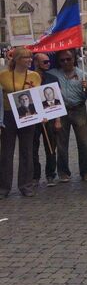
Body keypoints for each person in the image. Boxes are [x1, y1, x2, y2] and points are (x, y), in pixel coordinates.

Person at [47, 49, 87, 183]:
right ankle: (63, 172)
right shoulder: (53, 74)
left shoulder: (82, 75)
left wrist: (85, 89)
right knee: (61, 143)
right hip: (60, 111)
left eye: (68, 59)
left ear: (74, 59)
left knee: (83, 142)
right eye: (62, 60)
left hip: (78, 109)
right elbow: (40, 78)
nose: (65, 62)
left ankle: (86, 171)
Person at [0, 47, 41, 197]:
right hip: (8, 116)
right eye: (26, 58)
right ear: (17, 59)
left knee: (27, 151)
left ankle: (26, 185)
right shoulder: (3, 75)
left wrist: (42, 114)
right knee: (6, 153)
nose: (30, 60)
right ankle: (3, 187)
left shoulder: (35, 76)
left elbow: (37, 98)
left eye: (30, 57)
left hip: (27, 115)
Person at [32, 53, 61, 187]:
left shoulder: (53, 78)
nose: (48, 64)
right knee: (33, 148)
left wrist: (57, 120)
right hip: (33, 118)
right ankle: (35, 176)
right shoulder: (29, 78)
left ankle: (50, 174)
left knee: (51, 147)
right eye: (45, 62)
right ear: (36, 63)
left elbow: (58, 102)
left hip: (49, 118)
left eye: (49, 61)